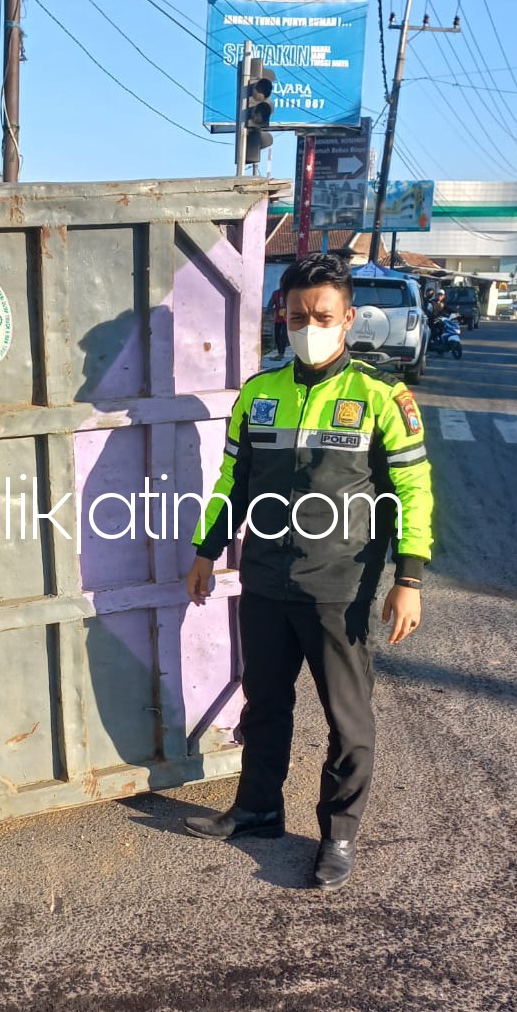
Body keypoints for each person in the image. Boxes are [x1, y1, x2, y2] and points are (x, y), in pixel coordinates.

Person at [183, 254, 434, 891]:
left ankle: (338, 834)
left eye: (323, 315)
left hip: (339, 590)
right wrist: (206, 551)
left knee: (348, 721)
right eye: (298, 315)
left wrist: (410, 579)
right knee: (265, 705)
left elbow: (413, 490)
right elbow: (232, 485)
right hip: (265, 582)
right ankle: (259, 809)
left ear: (348, 318)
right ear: (282, 316)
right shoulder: (259, 394)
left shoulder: (382, 397)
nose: (309, 325)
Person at [270, 288, 289, 360]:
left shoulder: (289, 292)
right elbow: (271, 303)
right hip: (278, 317)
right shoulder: (276, 293)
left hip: (286, 317)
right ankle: (279, 353)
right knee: (277, 335)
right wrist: (268, 311)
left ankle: (281, 353)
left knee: (284, 335)